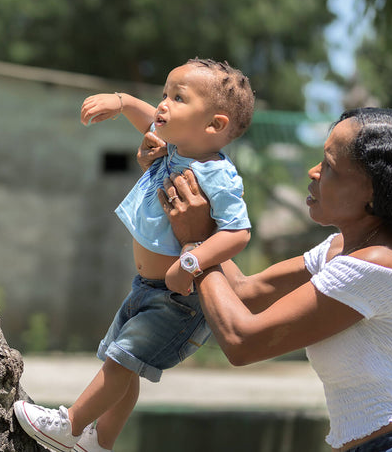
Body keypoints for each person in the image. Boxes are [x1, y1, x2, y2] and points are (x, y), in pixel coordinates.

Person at [14, 58, 255, 452]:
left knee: (121, 363)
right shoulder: (178, 148)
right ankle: (100, 442)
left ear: (215, 125)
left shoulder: (216, 174)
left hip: (178, 299)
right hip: (144, 287)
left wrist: (190, 262)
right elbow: (150, 123)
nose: (162, 104)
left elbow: (238, 232)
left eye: (178, 98)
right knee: (123, 367)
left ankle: (70, 425)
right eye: (164, 93)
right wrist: (123, 102)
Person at [160, 107, 392, 452]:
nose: (314, 172)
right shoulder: (343, 248)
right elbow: (245, 292)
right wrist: (192, 206)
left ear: (374, 191)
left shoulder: (375, 263)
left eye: (330, 166)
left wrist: (195, 246)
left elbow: (243, 341)